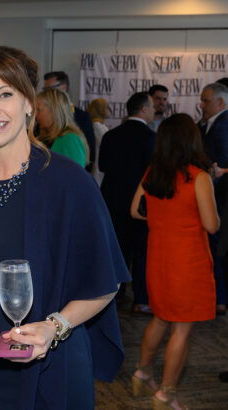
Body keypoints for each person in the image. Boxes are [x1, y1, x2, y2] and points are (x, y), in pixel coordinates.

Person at [0, 46, 129, 410]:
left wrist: (54, 327)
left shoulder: (67, 183)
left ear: (28, 103)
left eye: (5, 93)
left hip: (45, 360)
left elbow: (106, 281)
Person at [130, 113, 219, 410]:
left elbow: (135, 211)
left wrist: (164, 220)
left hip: (158, 257)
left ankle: (142, 373)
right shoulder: (199, 177)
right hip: (187, 261)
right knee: (181, 328)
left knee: (159, 316)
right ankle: (166, 394)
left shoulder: (152, 173)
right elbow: (212, 224)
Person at [99, 92, 156, 316]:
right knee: (141, 253)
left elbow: (102, 165)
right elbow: (153, 174)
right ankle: (141, 299)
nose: (153, 110)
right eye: (151, 106)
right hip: (140, 205)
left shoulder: (111, 136)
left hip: (111, 201)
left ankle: (116, 294)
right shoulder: (151, 137)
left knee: (117, 249)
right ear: (143, 109)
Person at [199, 82, 228, 315]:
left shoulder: (223, 124)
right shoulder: (210, 124)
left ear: (221, 102)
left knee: (217, 248)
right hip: (214, 196)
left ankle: (219, 299)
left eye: (206, 100)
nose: (201, 105)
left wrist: (212, 175)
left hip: (219, 198)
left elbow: (221, 163)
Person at [43, 71, 95, 171]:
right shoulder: (42, 118)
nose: (46, 94)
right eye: (45, 90)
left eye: (49, 89)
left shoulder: (82, 117)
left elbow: (90, 151)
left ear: (63, 87)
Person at [35, 88, 88, 168]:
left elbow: (75, 177)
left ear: (54, 111)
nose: (35, 115)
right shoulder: (43, 138)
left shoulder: (70, 140)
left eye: (38, 110)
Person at [87, 98, 109, 185]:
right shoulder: (97, 126)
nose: (109, 110)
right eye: (106, 107)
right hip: (97, 166)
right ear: (100, 109)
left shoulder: (100, 125)